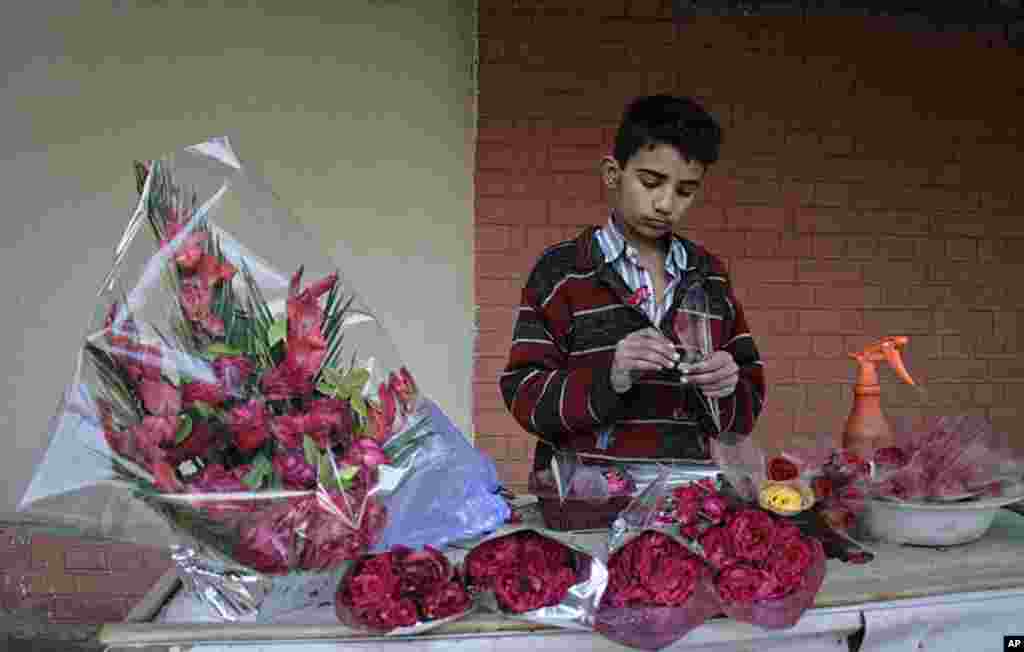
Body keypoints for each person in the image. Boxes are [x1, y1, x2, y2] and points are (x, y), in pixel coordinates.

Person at [499, 94, 766, 480]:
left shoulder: (709, 276)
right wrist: (610, 377)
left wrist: (727, 386)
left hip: (692, 502)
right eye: (651, 182)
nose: (665, 203)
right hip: (586, 500)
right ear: (613, 173)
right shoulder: (561, 272)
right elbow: (524, 395)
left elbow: (744, 408)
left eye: (685, 190)